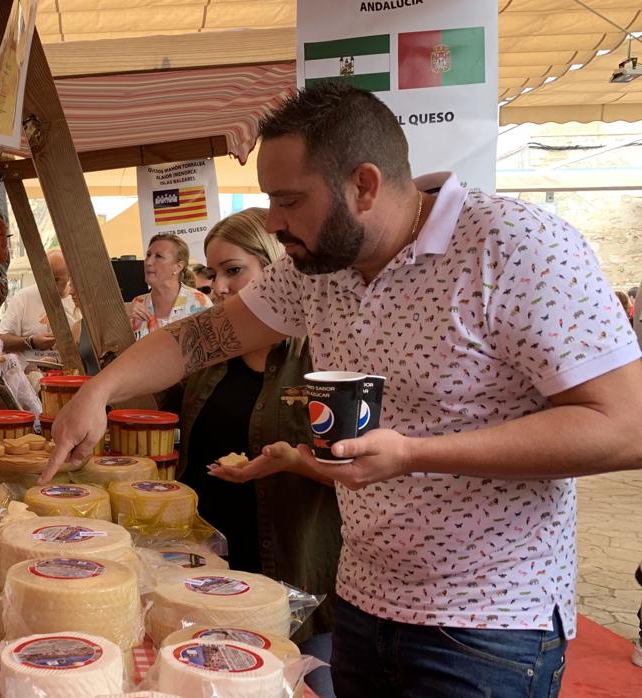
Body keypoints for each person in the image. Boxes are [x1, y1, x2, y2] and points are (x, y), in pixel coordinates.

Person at [46, 82, 642, 697]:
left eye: (290, 201)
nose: (274, 224)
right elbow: (202, 336)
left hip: (486, 621)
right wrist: (102, 387)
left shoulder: (516, 245)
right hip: (361, 599)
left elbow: (624, 426)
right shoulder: (317, 268)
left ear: (364, 184)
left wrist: (414, 454)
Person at [177, 208, 340, 644]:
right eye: (211, 274)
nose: (219, 287)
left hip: (292, 578)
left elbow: (365, 472)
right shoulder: (208, 355)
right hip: (205, 574)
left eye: (234, 270)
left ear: (275, 272)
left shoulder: (320, 359)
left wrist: (293, 462)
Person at [0, 249, 80, 361]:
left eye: (56, 280)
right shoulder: (23, 297)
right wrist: (31, 342)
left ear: (68, 276)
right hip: (29, 376)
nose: (50, 284)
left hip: (67, 375)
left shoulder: (77, 300)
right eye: (46, 276)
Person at [129, 233, 211, 340]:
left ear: (178, 267)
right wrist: (121, 313)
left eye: (159, 256)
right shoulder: (137, 302)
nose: (148, 262)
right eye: (148, 255)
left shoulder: (199, 303)